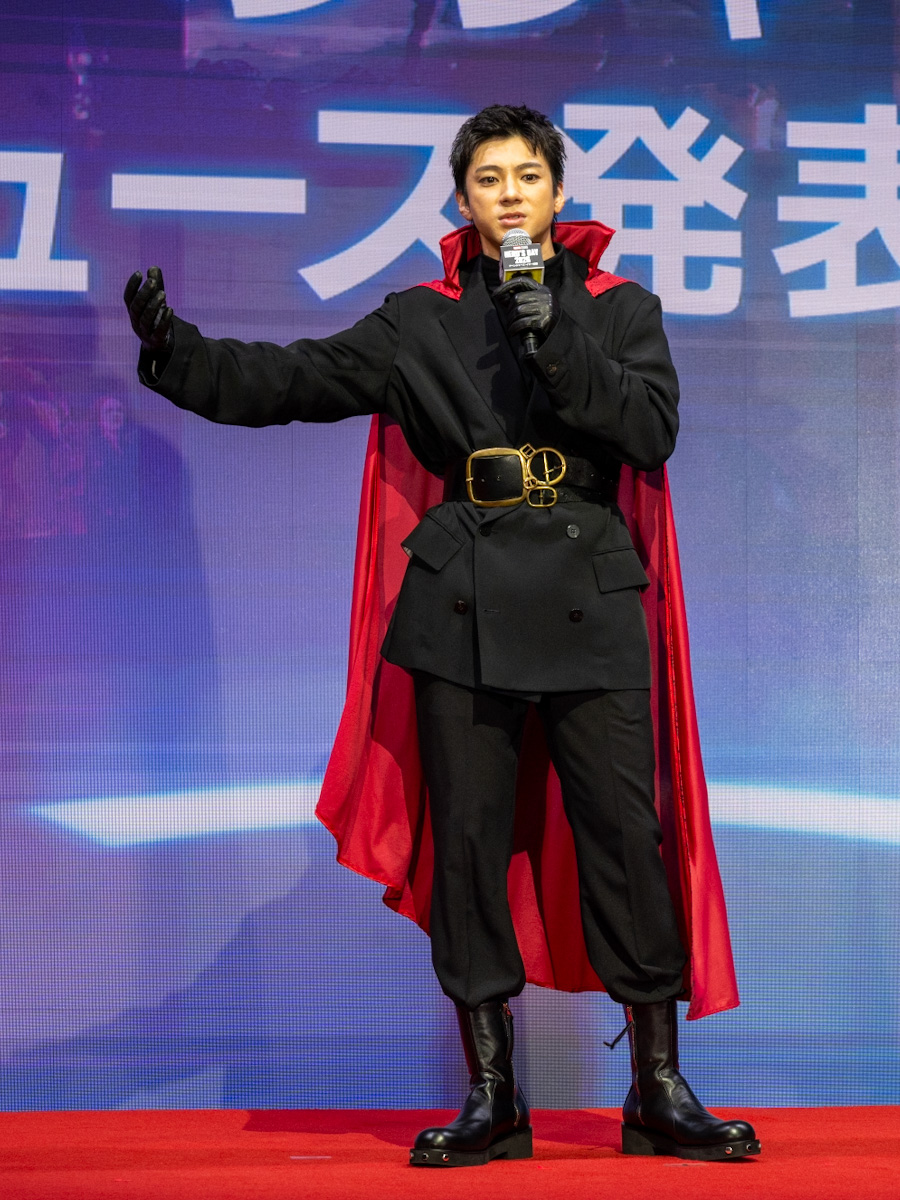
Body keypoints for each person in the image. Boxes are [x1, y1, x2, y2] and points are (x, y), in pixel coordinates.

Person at [124, 103, 759, 1166]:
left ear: (558, 193)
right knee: (466, 846)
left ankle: (657, 1089)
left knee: (624, 841)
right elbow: (292, 379)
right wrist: (179, 354)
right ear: (462, 200)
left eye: (528, 176)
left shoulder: (621, 309)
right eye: (489, 179)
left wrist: (555, 338)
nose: (510, 194)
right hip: (462, 600)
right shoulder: (418, 320)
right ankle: (493, 1096)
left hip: (592, 597)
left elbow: (650, 432)